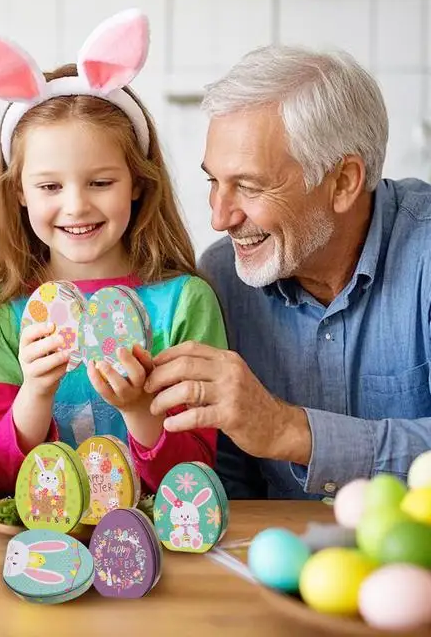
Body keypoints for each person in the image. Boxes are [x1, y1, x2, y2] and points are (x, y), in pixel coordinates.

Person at [0, 9, 227, 495]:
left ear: (138, 183)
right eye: (49, 185)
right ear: (19, 191)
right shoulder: (0, 313)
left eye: (101, 182)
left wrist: (138, 409)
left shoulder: (185, 303)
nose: (76, 205)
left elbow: (197, 482)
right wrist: (36, 393)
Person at [143, 45, 431, 499]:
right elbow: (228, 489)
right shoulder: (222, 277)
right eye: (213, 182)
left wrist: (288, 431)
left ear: (343, 182)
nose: (219, 218)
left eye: (249, 186)